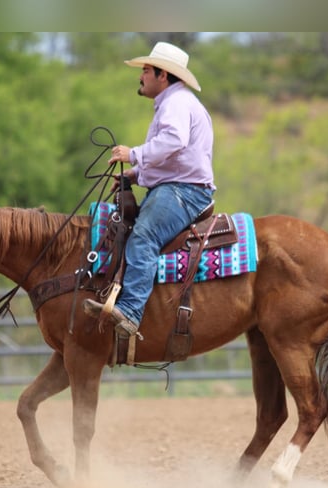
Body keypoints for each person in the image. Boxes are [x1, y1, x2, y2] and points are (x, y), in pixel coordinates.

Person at [84, 41, 216, 338]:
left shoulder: (176, 103)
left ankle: (130, 312)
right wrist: (134, 175)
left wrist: (134, 154)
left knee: (143, 236)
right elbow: (173, 156)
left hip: (184, 191)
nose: (141, 75)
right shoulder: (175, 102)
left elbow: (174, 141)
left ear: (163, 75)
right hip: (179, 187)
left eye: (145, 70)